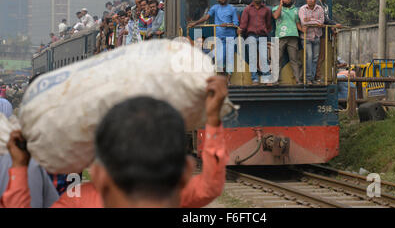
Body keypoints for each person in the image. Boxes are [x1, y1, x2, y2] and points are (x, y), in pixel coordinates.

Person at [0, 76, 229, 208]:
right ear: (185, 173)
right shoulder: (178, 195)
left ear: (98, 175)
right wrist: (212, 118)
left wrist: (19, 168)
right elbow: (210, 185)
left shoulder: (82, 200)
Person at [188, 0, 239, 81]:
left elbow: (236, 23)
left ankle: (228, 80)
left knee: (230, 58)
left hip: (231, 37)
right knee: (219, 58)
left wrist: (227, 24)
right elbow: (206, 17)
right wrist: (195, 23)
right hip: (220, 38)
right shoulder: (215, 8)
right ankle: (221, 78)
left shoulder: (232, 8)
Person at [239, 0, 273, 84]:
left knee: (264, 58)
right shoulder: (247, 9)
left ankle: (267, 79)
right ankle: (254, 79)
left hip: (262, 36)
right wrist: (241, 32)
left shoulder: (267, 10)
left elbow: (268, 24)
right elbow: (243, 23)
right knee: (252, 58)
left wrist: (265, 31)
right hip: (251, 36)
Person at [272, 0, 303, 84]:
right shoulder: (276, 8)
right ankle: (275, 79)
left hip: (293, 37)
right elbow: (275, 16)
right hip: (280, 36)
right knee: (277, 58)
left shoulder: (295, 10)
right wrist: (280, 5)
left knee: (295, 59)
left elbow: (297, 23)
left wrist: (303, 30)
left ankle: (298, 79)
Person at [314, 0, 342, 83]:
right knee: (319, 56)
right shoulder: (317, 4)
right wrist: (334, 24)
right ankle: (316, 76)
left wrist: (332, 28)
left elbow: (327, 18)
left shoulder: (325, 5)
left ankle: (317, 75)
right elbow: (323, 19)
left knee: (322, 56)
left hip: (325, 33)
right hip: (319, 33)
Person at [298, 0, 325, 85]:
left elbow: (321, 21)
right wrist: (315, 22)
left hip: (317, 36)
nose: (310, 0)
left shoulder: (320, 9)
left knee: (315, 58)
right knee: (309, 57)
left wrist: (309, 20)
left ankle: (312, 77)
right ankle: (308, 78)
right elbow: (303, 21)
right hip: (306, 37)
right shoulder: (302, 9)